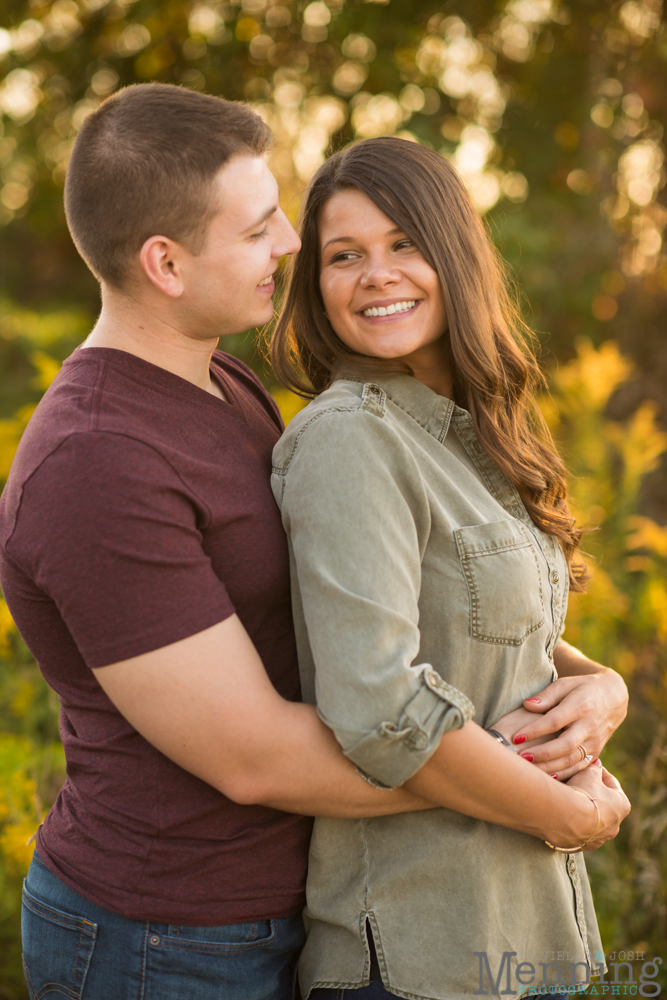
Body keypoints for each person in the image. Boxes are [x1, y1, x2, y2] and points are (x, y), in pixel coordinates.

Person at [0, 87, 624, 999]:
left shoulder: (219, 381)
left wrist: (589, 687)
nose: (289, 246)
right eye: (258, 230)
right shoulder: (98, 463)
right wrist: (540, 791)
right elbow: (256, 757)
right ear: (165, 263)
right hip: (165, 938)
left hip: (281, 906)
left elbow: (406, 598)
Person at [269, 136, 631, 1000]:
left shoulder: (477, 431)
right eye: (343, 255)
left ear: (455, 255)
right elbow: (380, 707)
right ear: (316, 286)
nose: (375, 274)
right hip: (419, 946)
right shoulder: (350, 438)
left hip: (532, 930)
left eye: (404, 244)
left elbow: (502, 638)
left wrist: (605, 685)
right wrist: (572, 816)